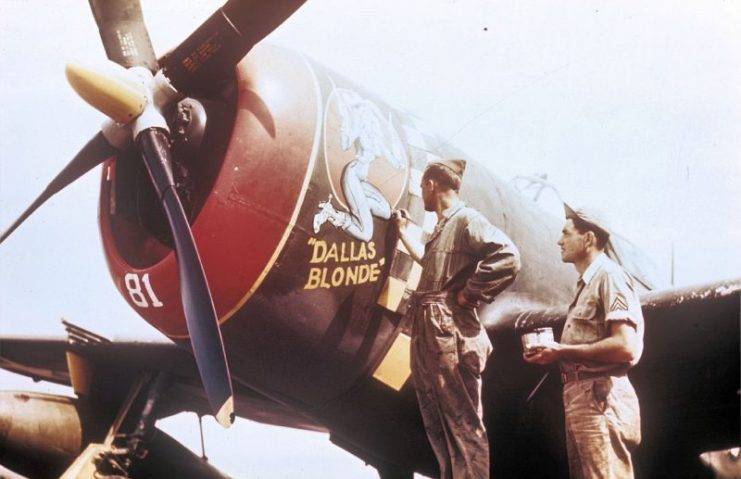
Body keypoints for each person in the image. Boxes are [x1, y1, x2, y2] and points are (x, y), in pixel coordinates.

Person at [394, 159, 521, 479]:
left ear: (431, 185)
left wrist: (469, 295)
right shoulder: (443, 227)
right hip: (430, 327)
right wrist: (403, 233)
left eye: (422, 187)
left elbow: (508, 256)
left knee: (462, 422)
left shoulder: (466, 220)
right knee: (436, 420)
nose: (421, 194)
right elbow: (430, 264)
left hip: (448, 329)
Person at [523, 205, 644, 479]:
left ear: (588, 239)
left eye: (566, 233)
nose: (559, 240)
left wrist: (562, 350)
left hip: (600, 398)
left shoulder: (610, 277)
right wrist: (554, 354)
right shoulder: (587, 284)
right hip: (582, 397)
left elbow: (626, 346)